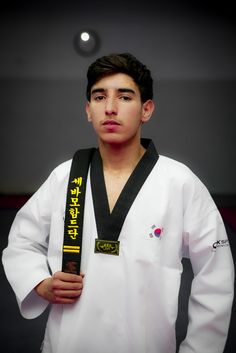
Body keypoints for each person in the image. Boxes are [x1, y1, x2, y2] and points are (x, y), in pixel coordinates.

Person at [2, 53, 234, 353]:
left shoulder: (179, 182)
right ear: (88, 109)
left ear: (146, 109)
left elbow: (216, 274)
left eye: (125, 97)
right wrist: (40, 283)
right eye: (99, 97)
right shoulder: (65, 177)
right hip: (67, 343)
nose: (110, 108)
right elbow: (21, 240)